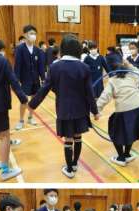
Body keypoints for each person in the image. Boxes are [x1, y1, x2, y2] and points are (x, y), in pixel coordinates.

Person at [28, 34, 100, 179]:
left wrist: (32, 104)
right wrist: (95, 111)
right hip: (81, 109)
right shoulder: (84, 67)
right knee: (78, 137)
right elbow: (89, 92)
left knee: (68, 139)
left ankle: (69, 169)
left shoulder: (55, 67)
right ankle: (74, 164)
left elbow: (45, 88)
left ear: (63, 49)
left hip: (64, 109)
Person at [96, 59, 139, 166]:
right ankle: (127, 154)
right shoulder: (132, 76)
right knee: (131, 131)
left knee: (114, 131)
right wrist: (129, 64)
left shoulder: (112, 80)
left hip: (125, 110)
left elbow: (105, 97)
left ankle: (121, 157)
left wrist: (96, 111)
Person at [0, 38, 28, 181]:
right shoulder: (2, 60)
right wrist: (23, 98)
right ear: (0, 49)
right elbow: (13, 80)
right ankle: (5, 170)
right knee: (4, 136)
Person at [13, 24, 45, 129]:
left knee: (33, 100)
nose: (33, 36)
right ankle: (21, 120)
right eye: (31, 33)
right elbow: (17, 65)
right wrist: (17, 80)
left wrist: (43, 78)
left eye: (35, 34)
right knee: (23, 100)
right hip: (24, 79)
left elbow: (41, 66)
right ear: (25, 35)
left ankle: (31, 117)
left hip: (35, 79)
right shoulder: (20, 49)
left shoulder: (38, 50)